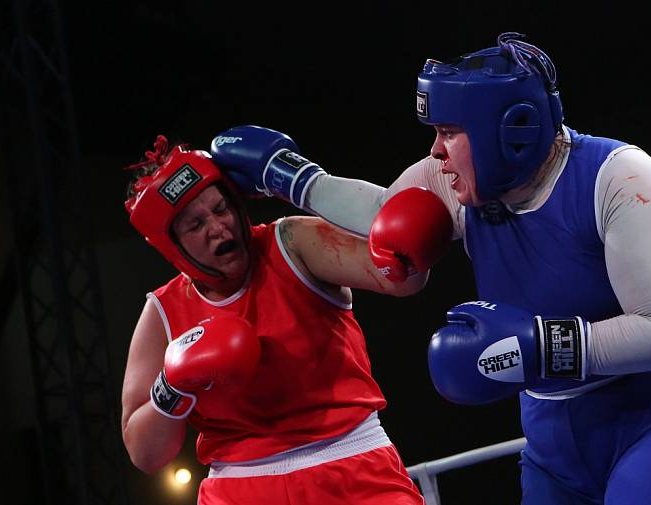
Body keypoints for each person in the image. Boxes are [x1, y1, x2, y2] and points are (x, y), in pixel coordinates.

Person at [208, 32, 651, 505]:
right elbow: (385, 217)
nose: (436, 151)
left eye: (449, 132)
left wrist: (538, 345)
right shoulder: (455, 183)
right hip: (554, 428)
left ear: (508, 130)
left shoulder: (622, 179)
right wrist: (289, 176)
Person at [120, 134, 453, 505]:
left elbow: (401, 272)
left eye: (220, 208)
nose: (219, 227)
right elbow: (145, 455)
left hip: (350, 465)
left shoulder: (291, 244)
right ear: (173, 246)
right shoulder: (163, 312)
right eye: (195, 226)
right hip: (239, 487)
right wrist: (173, 385)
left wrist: (299, 182)